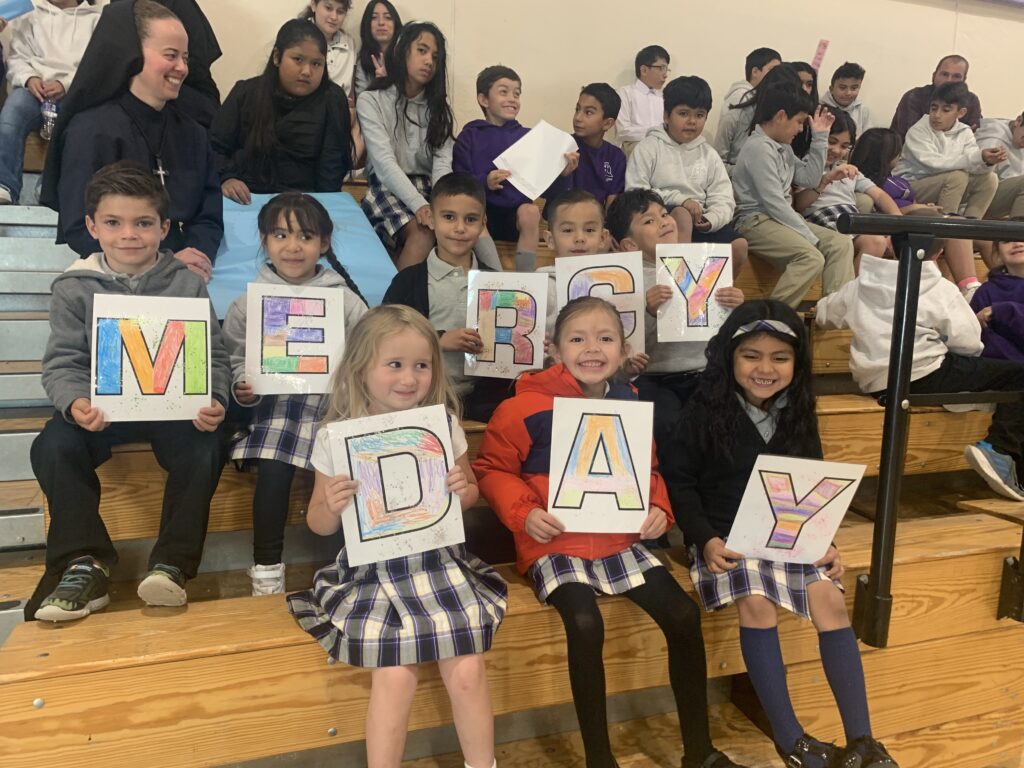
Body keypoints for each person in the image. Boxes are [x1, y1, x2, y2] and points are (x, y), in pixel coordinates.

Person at [474, 295, 746, 768]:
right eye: (577, 339)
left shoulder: (630, 400)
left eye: (605, 338)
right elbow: (492, 469)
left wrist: (659, 508)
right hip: (552, 544)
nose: (592, 349)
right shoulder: (523, 406)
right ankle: (600, 760)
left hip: (619, 540)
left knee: (683, 616)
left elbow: (650, 469)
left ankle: (700, 753)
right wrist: (523, 514)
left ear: (623, 351)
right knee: (584, 623)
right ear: (554, 348)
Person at [663, 299, 899, 768]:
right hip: (724, 541)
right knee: (755, 598)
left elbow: (811, 481)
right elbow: (682, 486)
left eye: (780, 357)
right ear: (729, 357)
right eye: (751, 355)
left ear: (797, 362)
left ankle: (863, 742)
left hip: (787, 533)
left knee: (830, 598)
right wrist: (705, 538)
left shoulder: (799, 411)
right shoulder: (699, 411)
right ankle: (790, 740)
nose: (765, 368)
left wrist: (825, 541)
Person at [287, 304, 507, 768]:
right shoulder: (336, 436)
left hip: (439, 565)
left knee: (468, 669)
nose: (409, 378)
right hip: (373, 574)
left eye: (421, 366)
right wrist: (332, 504)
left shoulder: (442, 424)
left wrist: (462, 490)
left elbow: (467, 496)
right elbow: (318, 524)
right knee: (394, 677)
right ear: (361, 369)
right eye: (394, 365)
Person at [28, 161, 229, 622]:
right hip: (102, 411)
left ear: (163, 228)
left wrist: (214, 398)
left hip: (171, 411)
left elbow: (212, 356)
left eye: (143, 223)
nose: (129, 235)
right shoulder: (74, 287)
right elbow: (62, 362)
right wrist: (76, 402)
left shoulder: (186, 283)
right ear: (93, 227)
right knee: (53, 444)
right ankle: (84, 563)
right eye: (114, 223)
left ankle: (171, 564)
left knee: (208, 443)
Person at [222, 193, 368, 595]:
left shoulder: (346, 301)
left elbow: (368, 352)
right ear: (265, 241)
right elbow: (236, 357)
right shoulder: (247, 304)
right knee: (272, 468)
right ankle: (267, 566)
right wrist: (243, 387)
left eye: (305, 236)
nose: (293, 246)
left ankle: (352, 563)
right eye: (281, 234)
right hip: (276, 409)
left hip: (333, 408)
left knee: (347, 477)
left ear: (323, 243)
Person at [817, 252, 1024, 502]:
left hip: (878, 382)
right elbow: (968, 342)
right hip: (928, 373)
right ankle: (1000, 448)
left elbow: (823, 314)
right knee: (1018, 375)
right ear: (937, 253)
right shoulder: (939, 287)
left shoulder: (860, 284)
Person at [40, 0, 222, 281]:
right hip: (112, 282)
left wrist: (194, 258)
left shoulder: (194, 134)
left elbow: (208, 216)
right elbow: (79, 225)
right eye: (171, 55)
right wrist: (163, 264)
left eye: (185, 58)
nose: (182, 68)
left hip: (184, 279)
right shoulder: (90, 130)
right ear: (132, 54)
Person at [607, 189, 743, 453]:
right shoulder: (625, 281)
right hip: (654, 377)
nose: (663, 222)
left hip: (703, 372)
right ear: (629, 245)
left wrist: (734, 307)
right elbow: (623, 345)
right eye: (649, 221)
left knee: (723, 421)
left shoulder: (704, 266)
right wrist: (646, 310)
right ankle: (672, 486)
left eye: (664, 214)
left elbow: (721, 332)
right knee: (667, 425)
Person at [358, 21, 499, 271]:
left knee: (473, 222)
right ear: (402, 53)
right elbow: (384, 164)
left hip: (431, 187)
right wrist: (422, 207)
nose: (429, 61)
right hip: (387, 186)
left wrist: (441, 203)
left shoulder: (439, 110)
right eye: (422, 51)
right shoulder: (371, 100)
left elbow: (442, 165)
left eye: (435, 56)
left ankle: (502, 289)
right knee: (424, 232)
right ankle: (397, 308)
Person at [382, 172, 511, 421]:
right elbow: (385, 339)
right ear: (431, 218)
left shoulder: (497, 282)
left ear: (483, 223)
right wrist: (438, 340)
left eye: (470, 219)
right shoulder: (408, 281)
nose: (460, 228)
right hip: (423, 395)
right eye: (449, 217)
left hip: (482, 398)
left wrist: (532, 345)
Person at [732, 85, 854, 308]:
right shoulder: (758, 148)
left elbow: (808, 178)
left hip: (777, 219)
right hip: (755, 221)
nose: (800, 129)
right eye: (799, 122)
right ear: (780, 116)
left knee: (841, 243)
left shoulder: (783, 147)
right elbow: (774, 203)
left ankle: (833, 316)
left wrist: (820, 137)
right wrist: (810, 237)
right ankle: (768, 321)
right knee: (810, 257)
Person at [211, 20, 352, 205]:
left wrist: (317, 209)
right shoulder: (246, 92)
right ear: (277, 57)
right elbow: (213, 147)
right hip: (245, 198)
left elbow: (331, 172)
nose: (307, 71)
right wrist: (226, 178)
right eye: (298, 59)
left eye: (316, 63)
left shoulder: (332, 100)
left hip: (305, 202)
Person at [453, 64, 577, 271]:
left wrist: (563, 175)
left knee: (530, 212)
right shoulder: (470, 136)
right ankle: (498, 277)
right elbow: (459, 181)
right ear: (483, 100)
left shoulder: (530, 138)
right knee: (474, 216)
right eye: (504, 92)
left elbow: (546, 191)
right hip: (482, 212)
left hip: (516, 215)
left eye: (517, 94)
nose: (512, 98)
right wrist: (485, 181)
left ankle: (525, 280)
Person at [626, 75, 748, 272]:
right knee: (681, 216)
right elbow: (635, 191)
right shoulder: (648, 148)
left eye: (699, 115)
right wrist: (681, 201)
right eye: (683, 113)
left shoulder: (709, 154)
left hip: (703, 221)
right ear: (666, 115)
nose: (692, 121)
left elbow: (723, 196)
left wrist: (712, 220)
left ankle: (713, 298)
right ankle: (680, 287)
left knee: (739, 246)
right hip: (663, 220)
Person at [850, 126, 982, 296]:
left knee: (959, 226)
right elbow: (875, 211)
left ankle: (972, 288)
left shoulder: (895, 179)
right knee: (945, 227)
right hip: (900, 226)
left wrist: (921, 207)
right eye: (897, 151)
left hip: (915, 219)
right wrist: (913, 209)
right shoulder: (865, 180)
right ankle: (944, 292)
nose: (900, 155)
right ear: (885, 154)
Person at [0, 0, 101, 206]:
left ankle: (47, 188)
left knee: (78, 122)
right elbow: (17, 58)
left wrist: (65, 84)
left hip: (74, 92)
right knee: (12, 112)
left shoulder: (97, 19)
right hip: (33, 91)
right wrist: (29, 79)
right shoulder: (29, 16)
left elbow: (97, 65)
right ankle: (5, 185)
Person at [794, 109, 895, 266]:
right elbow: (798, 205)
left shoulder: (847, 168)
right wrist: (826, 180)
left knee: (880, 242)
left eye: (844, 146)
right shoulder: (804, 166)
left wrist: (899, 223)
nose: (836, 150)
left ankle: (854, 289)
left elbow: (879, 195)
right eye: (831, 142)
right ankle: (850, 289)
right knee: (870, 243)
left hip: (850, 217)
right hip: (821, 218)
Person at [536, 188, 614, 337]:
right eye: (567, 230)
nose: (579, 238)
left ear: (603, 238)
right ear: (550, 240)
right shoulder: (541, 286)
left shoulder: (618, 284)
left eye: (589, 229)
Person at [544, 82, 626, 213]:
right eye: (577, 109)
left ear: (607, 123)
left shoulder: (615, 156)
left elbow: (612, 202)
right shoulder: (564, 147)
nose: (578, 118)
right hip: (563, 219)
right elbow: (551, 200)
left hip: (597, 224)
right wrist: (563, 176)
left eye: (588, 112)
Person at [713, 63, 802, 174]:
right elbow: (715, 166)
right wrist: (751, 171)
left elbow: (800, 172)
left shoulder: (782, 123)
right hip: (736, 185)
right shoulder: (734, 118)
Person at [890, 54, 982, 139]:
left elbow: (976, 134)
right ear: (934, 76)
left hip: (959, 154)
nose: (949, 80)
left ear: (964, 80)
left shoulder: (971, 100)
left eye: (956, 76)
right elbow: (915, 136)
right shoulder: (914, 96)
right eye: (944, 74)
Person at [971, 238, 1024, 363]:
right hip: (1002, 371)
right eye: (1007, 241)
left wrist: (1002, 310)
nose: (1017, 244)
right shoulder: (985, 291)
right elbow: (976, 341)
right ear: (997, 252)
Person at [615, 44, 670, 156]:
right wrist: (657, 133)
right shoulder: (625, 93)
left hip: (664, 150)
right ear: (644, 70)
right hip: (634, 149)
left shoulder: (667, 96)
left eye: (667, 69)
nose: (665, 75)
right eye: (661, 68)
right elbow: (623, 131)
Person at [353, 0, 401, 96]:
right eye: (374, 17)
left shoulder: (406, 57)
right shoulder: (363, 62)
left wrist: (386, 82)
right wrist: (378, 84)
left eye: (388, 17)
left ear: (396, 23)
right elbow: (363, 102)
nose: (381, 23)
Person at [719, 46, 781, 114]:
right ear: (755, 72)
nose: (778, 75)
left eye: (779, 71)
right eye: (773, 70)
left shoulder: (761, 97)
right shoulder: (741, 98)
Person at [820, 62, 871, 135]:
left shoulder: (863, 111)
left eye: (854, 88)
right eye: (842, 88)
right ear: (831, 89)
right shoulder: (820, 107)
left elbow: (867, 139)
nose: (848, 93)